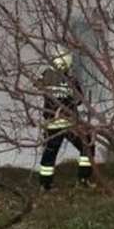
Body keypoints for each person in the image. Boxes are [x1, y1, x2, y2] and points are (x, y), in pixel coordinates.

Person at [36, 52, 93, 190]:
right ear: (68, 64)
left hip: (52, 124)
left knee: (49, 153)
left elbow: (37, 86)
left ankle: (45, 185)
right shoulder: (71, 80)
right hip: (69, 124)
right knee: (88, 145)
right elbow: (79, 101)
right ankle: (83, 179)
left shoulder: (46, 75)